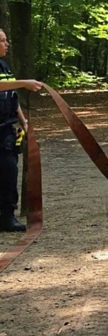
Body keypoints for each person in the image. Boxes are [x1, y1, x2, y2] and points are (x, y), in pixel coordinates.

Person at [0, 29, 43, 233]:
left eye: (7, 40)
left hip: (6, 130)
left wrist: (23, 121)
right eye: (2, 41)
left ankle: (7, 217)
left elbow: (11, 95)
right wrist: (25, 82)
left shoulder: (4, 67)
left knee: (9, 172)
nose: (6, 44)